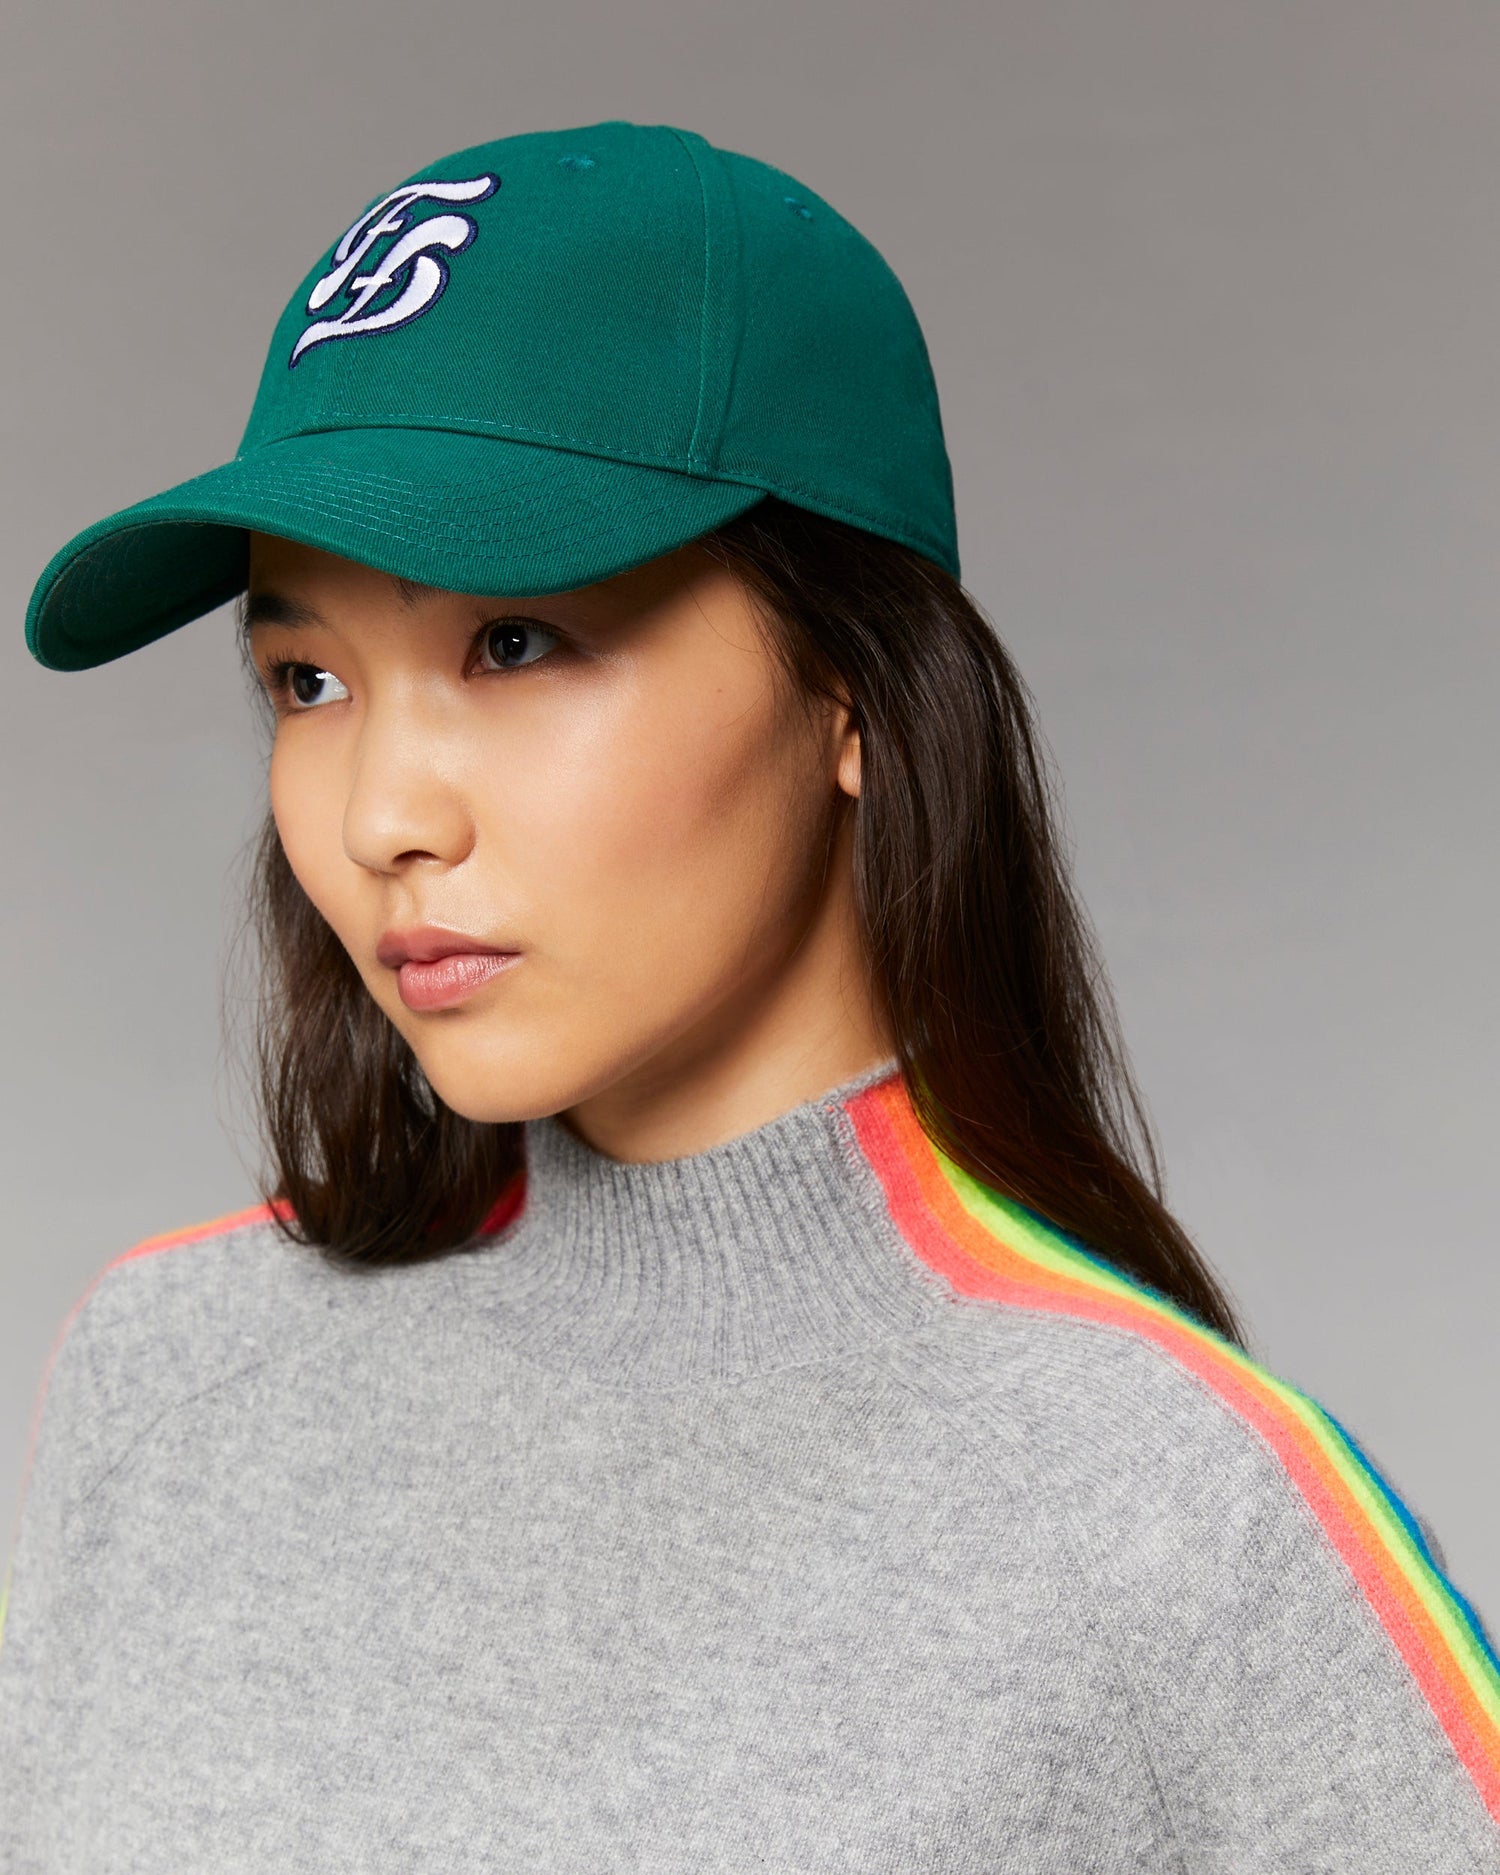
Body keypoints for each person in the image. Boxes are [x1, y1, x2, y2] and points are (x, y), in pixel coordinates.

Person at [2, 117, 1496, 1872]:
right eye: (307, 681)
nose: (382, 816)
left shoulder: (1168, 1512)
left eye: (513, 642)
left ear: (854, 691)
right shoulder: (167, 1375)